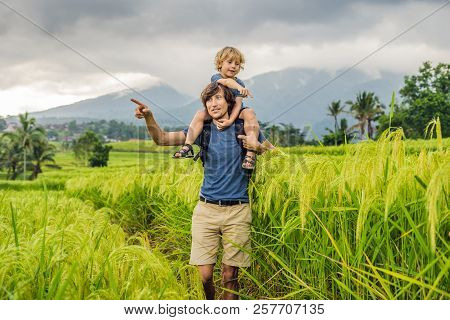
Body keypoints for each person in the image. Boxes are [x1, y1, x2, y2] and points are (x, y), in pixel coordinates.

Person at [132, 82, 273, 300]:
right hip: (206, 210)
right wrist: (149, 117)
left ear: (229, 101)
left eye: (218, 98)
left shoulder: (244, 127)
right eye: (209, 100)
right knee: (205, 275)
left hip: (238, 210)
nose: (213, 103)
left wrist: (258, 147)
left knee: (230, 276)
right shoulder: (202, 130)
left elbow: (275, 153)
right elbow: (161, 139)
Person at [173, 46, 260, 170]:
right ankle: (187, 145)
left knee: (249, 113)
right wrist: (238, 88)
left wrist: (230, 120)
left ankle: (250, 155)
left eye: (237, 64)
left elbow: (238, 104)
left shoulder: (240, 83)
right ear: (220, 64)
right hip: (219, 110)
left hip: (235, 111)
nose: (234, 66)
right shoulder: (216, 78)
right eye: (229, 62)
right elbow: (226, 82)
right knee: (200, 114)